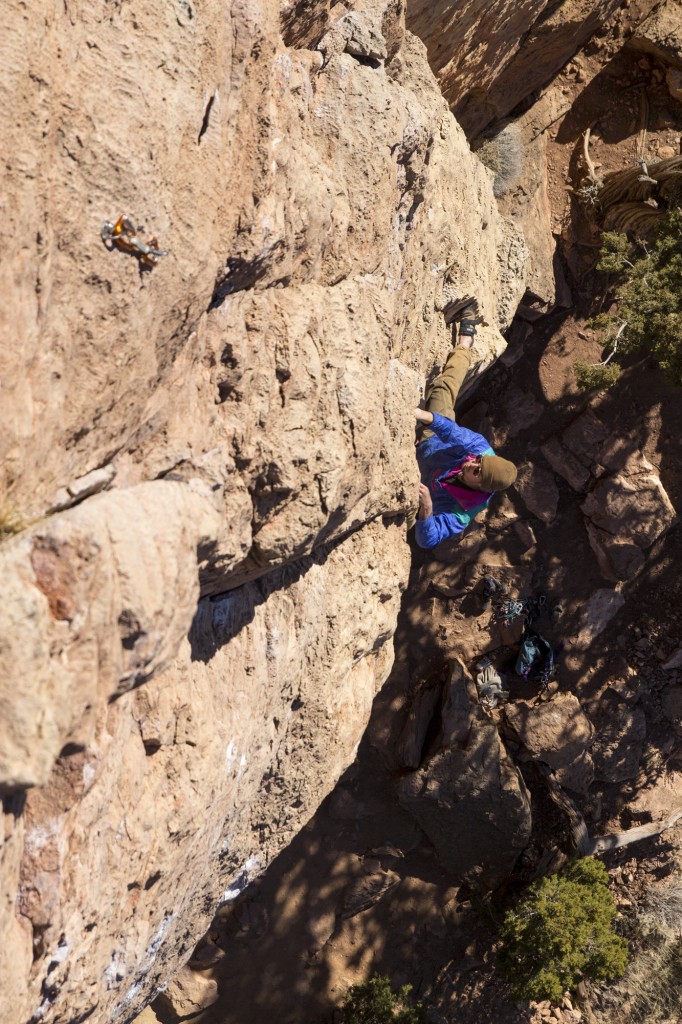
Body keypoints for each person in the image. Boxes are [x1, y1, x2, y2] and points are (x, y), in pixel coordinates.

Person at [413, 298, 517, 549]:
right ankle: (466, 342)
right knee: (443, 389)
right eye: (478, 461)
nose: (471, 463)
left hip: (416, 485)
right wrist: (420, 415)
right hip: (431, 441)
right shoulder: (479, 448)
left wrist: (426, 507)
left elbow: (428, 540)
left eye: (477, 470)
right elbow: (450, 431)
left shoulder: (464, 512)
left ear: (482, 486)